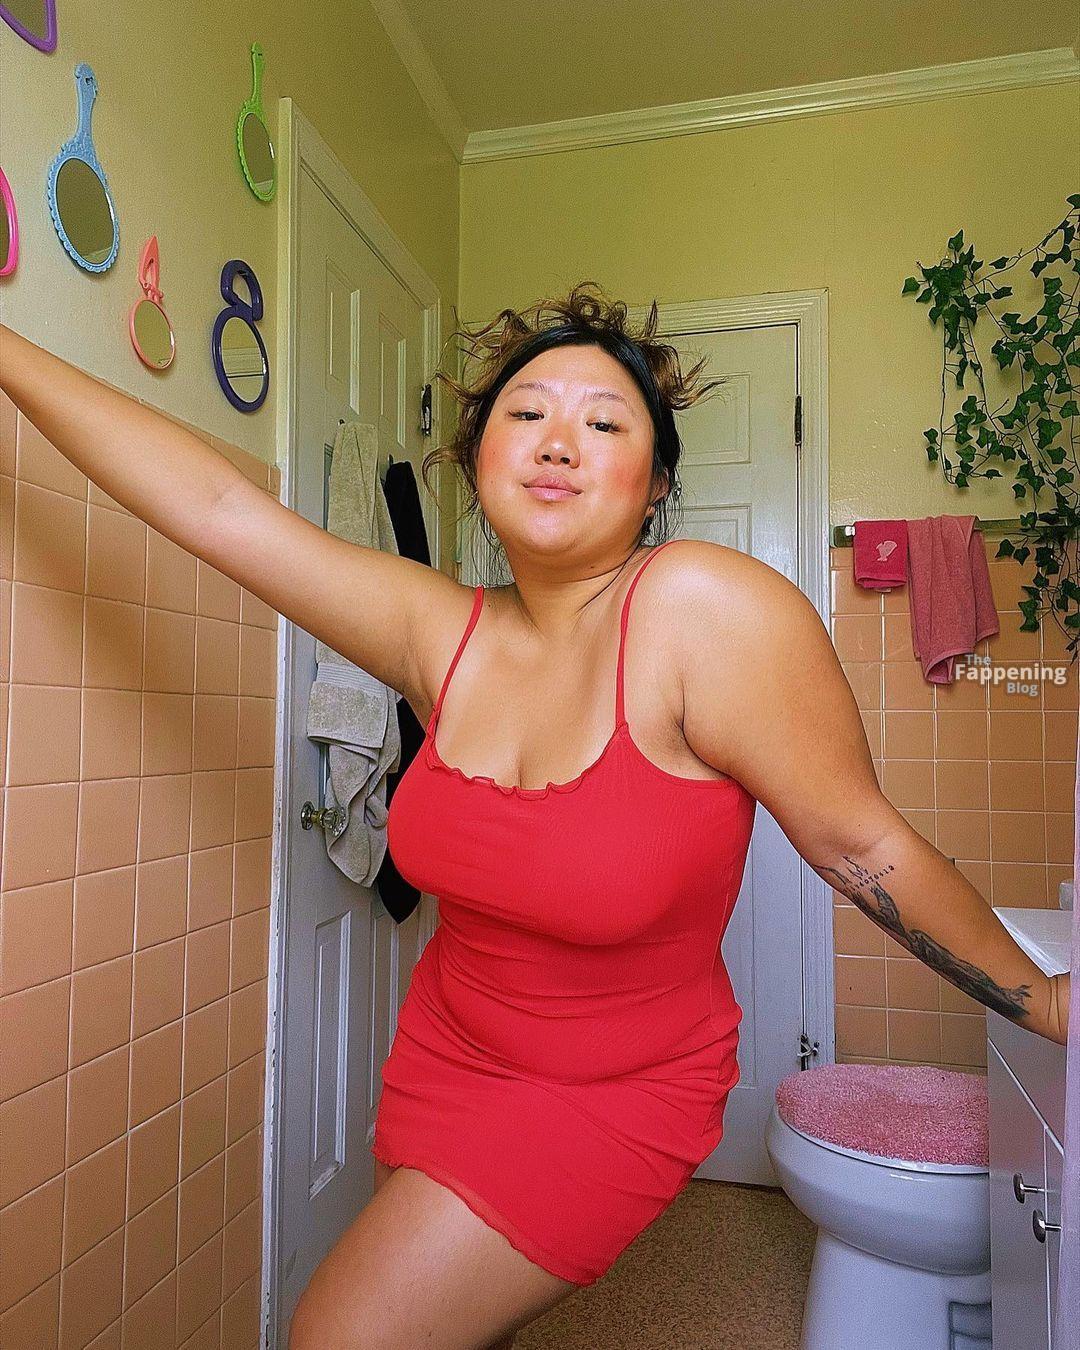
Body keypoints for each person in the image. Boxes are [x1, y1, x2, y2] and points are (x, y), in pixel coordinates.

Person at [0, 282, 1069, 1350]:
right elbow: (218, 511)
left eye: (604, 424)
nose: (559, 441)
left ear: (655, 485)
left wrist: (1047, 1004)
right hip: (446, 1046)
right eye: (527, 413)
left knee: (340, 1335)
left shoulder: (704, 611)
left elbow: (861, 844)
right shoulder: (439, 632)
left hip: (616, 1090)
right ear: (478, 461)